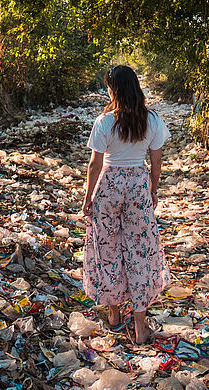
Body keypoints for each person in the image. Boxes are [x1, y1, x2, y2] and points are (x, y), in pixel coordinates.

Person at [82, 65, 172, 344]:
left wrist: (88, 198)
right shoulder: (153, 120)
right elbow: (156, 163)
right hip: (137, 185)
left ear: (114, 90)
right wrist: (153, 191)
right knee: (139, 252)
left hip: (109, 187)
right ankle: (141, 326)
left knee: (108, 249)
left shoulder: (104, 121)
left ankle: (114, 314)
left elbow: (95, 164)